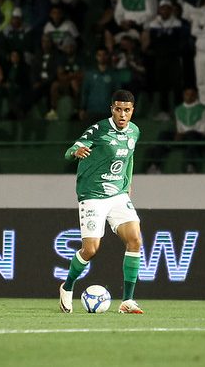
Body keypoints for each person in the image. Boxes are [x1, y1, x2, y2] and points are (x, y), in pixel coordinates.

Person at [60, 89, 144, 314]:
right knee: (91, 250)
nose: (122, 115)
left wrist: (126, 187)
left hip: (117, 195)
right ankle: (67, 287)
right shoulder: (99, 129)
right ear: (112, 109)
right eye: (118, 109)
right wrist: (76, 152)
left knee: (135, 240)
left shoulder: (134, 132)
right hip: (92, 195)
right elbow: (70, 150)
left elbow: (130, 159)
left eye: (127, 110)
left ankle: (127, 300)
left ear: (132, 111)